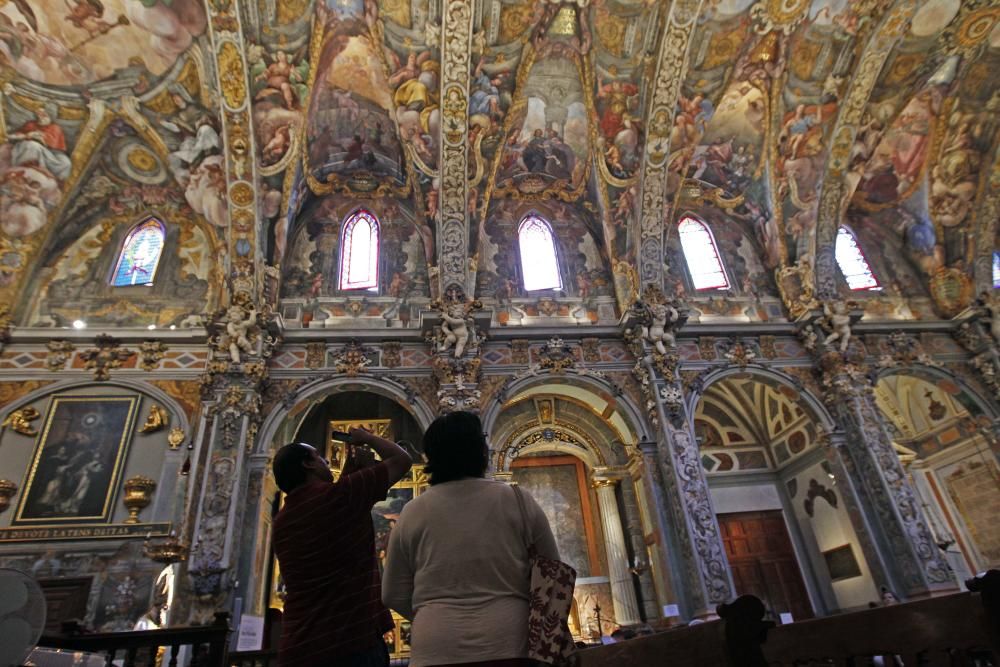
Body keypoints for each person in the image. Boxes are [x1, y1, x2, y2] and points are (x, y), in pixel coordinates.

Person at [382, 411, 559, 667]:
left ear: (429, 456)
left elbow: (392, 593)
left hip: (436, 643)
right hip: (509, 639)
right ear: (481, 451)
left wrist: (435, 613)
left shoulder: (412, 511)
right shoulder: (517, 500)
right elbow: (553, 574)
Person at [272, 428, 412, 667]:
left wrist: (351, 474)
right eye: (319, 457)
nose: (326, 461)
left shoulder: (282, 521)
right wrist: (367, 437)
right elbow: (402, 460)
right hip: (349, 643)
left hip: (300, 643)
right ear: (308, 465)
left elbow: (333, 521)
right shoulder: (341, 497)